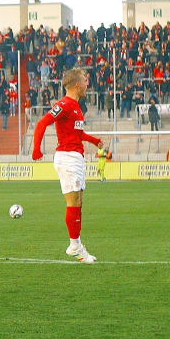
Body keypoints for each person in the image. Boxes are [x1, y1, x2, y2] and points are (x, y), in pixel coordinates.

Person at [31, 68, 104, 264]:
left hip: (76, 156)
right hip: (67, 157)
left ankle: (76, 244)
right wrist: (36, 149)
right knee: (73, 202)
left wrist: (94, 141)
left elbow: (78, 134)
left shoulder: (76, 107)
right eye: (86, 81)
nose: (88, 84)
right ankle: (74, 246)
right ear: (77, 85)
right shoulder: (64, 104)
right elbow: (42, 123)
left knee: (78, 201)